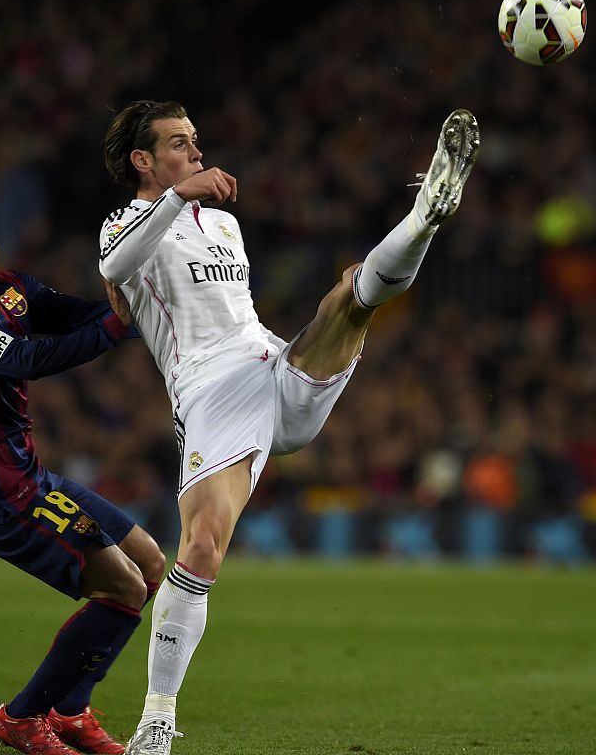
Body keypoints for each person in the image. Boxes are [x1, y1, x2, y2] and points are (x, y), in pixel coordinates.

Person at [98, 101, 480, 753]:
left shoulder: (221, 224)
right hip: (212, 395)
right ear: (143, 159)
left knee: (351, 297)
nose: (196, 152)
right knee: (201, 549)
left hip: (275, 365)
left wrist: (191, 198)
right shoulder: (122, 224)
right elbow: (114, 272)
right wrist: (177, 197)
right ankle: (157, 720)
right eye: (179, 144)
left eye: (196, 142)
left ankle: (424, 217)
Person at [0, 182, 167, 755]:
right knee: (122, 587)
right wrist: (115, 328)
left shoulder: (6, 287)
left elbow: (80, 316)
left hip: (30, 476)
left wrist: (145, 310)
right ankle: (21, 718)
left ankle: (69, 713)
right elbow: (28, 358)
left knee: (148, 564)